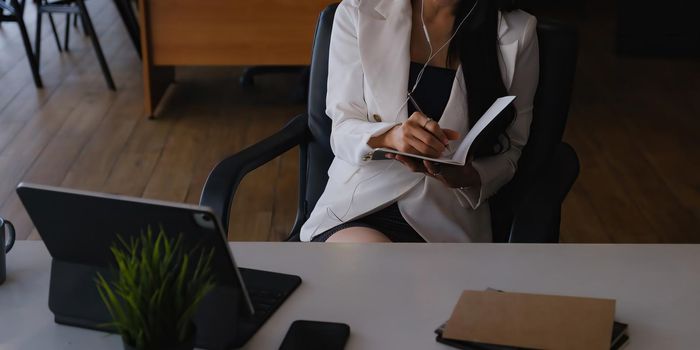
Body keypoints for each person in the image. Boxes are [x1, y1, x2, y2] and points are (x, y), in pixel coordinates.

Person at [300, 0, 539, 242]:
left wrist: (468, 176)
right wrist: (391, 136)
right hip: (358, 207)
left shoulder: (517, 30)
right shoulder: (358, 10)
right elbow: (341, 130)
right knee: (372, 260)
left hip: (446, 216)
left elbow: (513, 148)